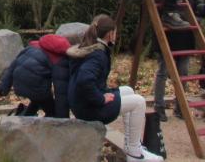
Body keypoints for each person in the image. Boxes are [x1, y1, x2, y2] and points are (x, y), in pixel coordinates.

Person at [67, 15, 163, 161]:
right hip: (89, 109)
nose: (116, 35)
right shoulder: (98, 54)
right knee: (139, 102)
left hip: (82, 103)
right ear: (110, 34)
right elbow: (84, 80)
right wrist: (100, 98)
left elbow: (86, 80)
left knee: (129, 91)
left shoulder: (90, 46)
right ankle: (135, 154)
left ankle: (132, 144)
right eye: (115, 32)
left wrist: (102, 93)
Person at [151, 0, 205, 121]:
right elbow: (157, 3)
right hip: (166, 32)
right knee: (163, 71)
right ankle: (159, 106)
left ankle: (180, 107)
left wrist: (202, 9)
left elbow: (195, 3)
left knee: (183, 71)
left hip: (185, 33)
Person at [0, 34, 71, 118]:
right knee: (51, 111)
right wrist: (63, 119)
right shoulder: (59, 59)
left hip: (18, 83)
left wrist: (3, 86)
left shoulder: (32, 47)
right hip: (36, 86)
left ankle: (25, 115)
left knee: (38, 99)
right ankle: (29, 121)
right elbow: (61, 92)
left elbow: (13, 65)